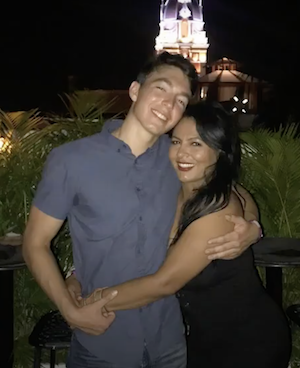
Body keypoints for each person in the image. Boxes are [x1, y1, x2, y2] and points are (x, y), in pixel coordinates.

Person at [23, 52, 261, 368]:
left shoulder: (178, 157)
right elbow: (34, 244)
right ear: (135, 90)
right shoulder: (71, 161)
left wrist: (252, 226)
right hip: (102, 341)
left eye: (180, 100)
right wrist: (69, 309)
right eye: (161, 89)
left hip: (170, 340)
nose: (169, 104)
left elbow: (233, 189)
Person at [80, 101, 291, 368]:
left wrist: (90, 302)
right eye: (177, 141)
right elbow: (246, 199)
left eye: (196, 144)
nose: (182, 153)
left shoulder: (217, 210)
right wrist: (253, 226)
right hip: (205, 339)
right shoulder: (183, 186)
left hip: (248, 343)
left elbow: (164, 284)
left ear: (220, 150)